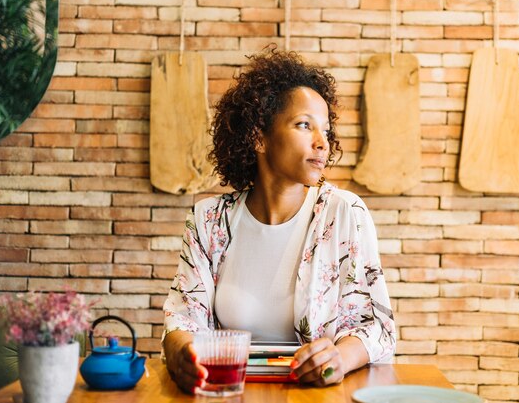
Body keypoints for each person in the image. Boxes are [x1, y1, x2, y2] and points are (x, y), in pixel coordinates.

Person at [162, 47, 396, 394]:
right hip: (228, 393)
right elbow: (181, 319)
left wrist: (340, 359)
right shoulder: (209, 219)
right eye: (305, 125)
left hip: (318, 396)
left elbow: (378, 327)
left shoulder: (344, 213)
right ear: (259, 136)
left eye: (326, 130)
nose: (322, 143)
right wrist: (181, 352)